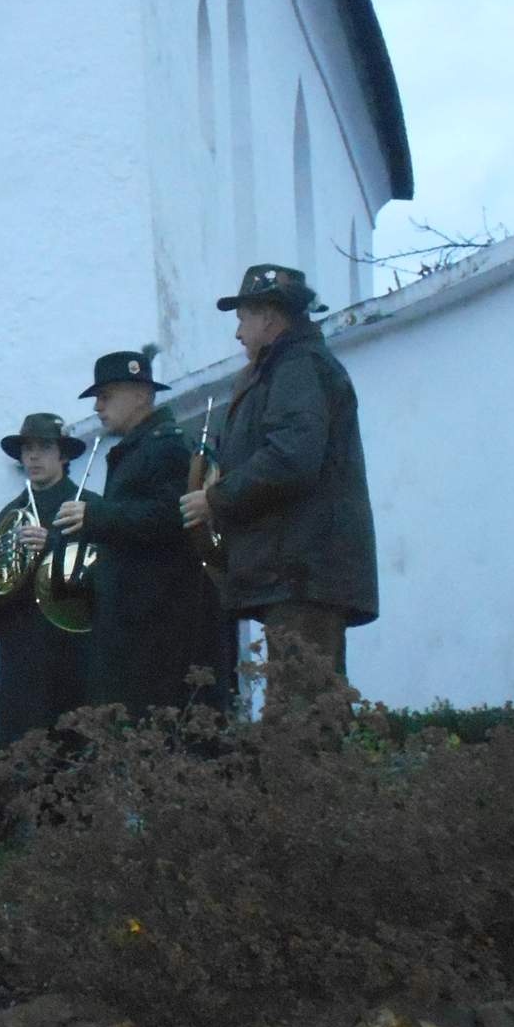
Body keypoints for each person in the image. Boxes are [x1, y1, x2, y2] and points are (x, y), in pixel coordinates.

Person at [179, 264, 378, 709]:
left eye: (242, 319)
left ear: (269, 316)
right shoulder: (288, 367)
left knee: (302, 715)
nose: (237, 333)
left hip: (301, 568)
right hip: (297, 568)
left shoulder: (297, 367)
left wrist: (215, 498)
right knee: (303, 710)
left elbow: (291, 458)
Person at [55, 352, 231, 717]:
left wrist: (95, 515)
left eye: (106, 396)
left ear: (140, 395)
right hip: (137, 619)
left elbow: (169, 516)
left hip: (158, 623)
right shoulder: (142, 447)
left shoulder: (165, 446)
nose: (98, 407)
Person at [0, 412, 92, 749]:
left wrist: (52, 545)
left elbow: (101, 572)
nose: (33, 457)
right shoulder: (10, 513)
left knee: (73, 747)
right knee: (21, 747)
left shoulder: (88, 505)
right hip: (20, 646)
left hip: (72, 648)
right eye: (27, 449)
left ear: (63, 455)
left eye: (44, 448)